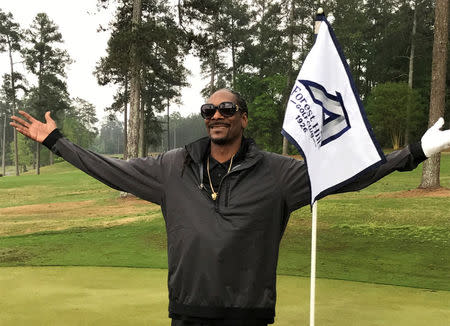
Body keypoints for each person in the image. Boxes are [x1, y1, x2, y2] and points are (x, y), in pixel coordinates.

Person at [10, 89, 450, 325]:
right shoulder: (172, 167)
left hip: (248, 313)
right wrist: (56, 142)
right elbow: (111, 170)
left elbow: (349, 174)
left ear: (243, 118)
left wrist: (415, 152)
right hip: (188, 311)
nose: (216, 115)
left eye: (227, 108)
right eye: (209, 109)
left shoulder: (280, 173)